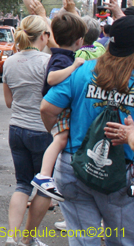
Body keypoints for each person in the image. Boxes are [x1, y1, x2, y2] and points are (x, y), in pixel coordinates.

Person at [41, 16, 134, 245]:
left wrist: (57, 133)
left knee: (83, 240)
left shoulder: (84, 70)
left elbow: (47, 108)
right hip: (119, 172)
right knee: (122, 240)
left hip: (75, 165)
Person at [2, 15, 53, 246]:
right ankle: (28, 238)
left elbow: (9, 102)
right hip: (41, 131)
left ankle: (12, 236)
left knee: (21, 184)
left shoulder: (9, 62)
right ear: (44, 36)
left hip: (16, 129)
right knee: (43, 187)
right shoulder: (47, 62)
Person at [30, 11, 86, 202]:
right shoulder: (63, 59)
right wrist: (74, 67)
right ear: (79, 41)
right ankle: (45, 175)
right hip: (58, 109)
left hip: (58, 108)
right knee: (60, 139)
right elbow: (52, 78)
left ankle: (45, 174)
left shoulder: (61, 55)